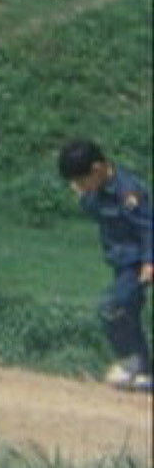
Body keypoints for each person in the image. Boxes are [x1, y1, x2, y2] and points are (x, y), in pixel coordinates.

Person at [57, 139, 153, 391]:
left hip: (136, 263)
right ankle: (144, 372)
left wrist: (149, 261)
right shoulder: (97, 190)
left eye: (81, 181)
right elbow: (97, 212)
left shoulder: (128, 192)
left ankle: (131, 362)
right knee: (128, 313)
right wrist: (84, 197)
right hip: (121, 262)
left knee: (112, 307)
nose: (79, 187)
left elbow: (147, 227)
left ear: (97, 169)